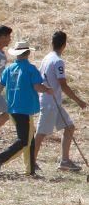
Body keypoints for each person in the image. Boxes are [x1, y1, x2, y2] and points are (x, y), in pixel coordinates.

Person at [0, 41, 52, 176]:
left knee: (29, 138)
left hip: (12, 109)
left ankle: (30, 169)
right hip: (25, 109)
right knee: (24, 141)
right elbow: (37, 87)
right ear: (28, 53)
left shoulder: (9, 69)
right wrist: (47, 90)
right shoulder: (31, 69)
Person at [34, 31, 87, 172]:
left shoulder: (46, 58)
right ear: (64, 45)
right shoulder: (58, 61)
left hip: (52, 102)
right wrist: (79, 101)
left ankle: (65, 161)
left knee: (69, 127)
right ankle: (31, 160)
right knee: (41, 132)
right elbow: (63, 84)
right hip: (50, 102)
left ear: (52, 43)